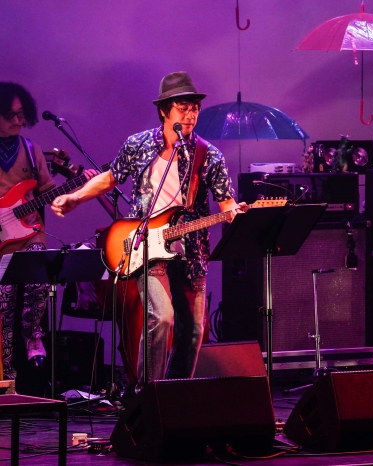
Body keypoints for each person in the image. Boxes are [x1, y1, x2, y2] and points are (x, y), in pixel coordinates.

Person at [51, 71, 246, 384]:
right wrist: (75, 198)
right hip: (146, 246)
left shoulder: (208, 155)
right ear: (164, 111)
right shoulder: (138, 145)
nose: (191, 114)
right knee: (161, 316)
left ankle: (175, 395)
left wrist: (235, 213)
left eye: (195, 108)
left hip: (190, 251)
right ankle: (148, 394)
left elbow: (226, 203)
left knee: (192, 331)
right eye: (183, 108)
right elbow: (110, 178)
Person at [0, 82, 53, 380]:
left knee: (39, 277)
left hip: (30, 232)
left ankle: (33, 334)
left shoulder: (32, 152)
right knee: (3, 306)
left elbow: (47, 192)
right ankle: (6, 375)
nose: (18, 120)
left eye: (22, 114)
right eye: (11, 115)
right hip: (2, 241)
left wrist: (74, 191)